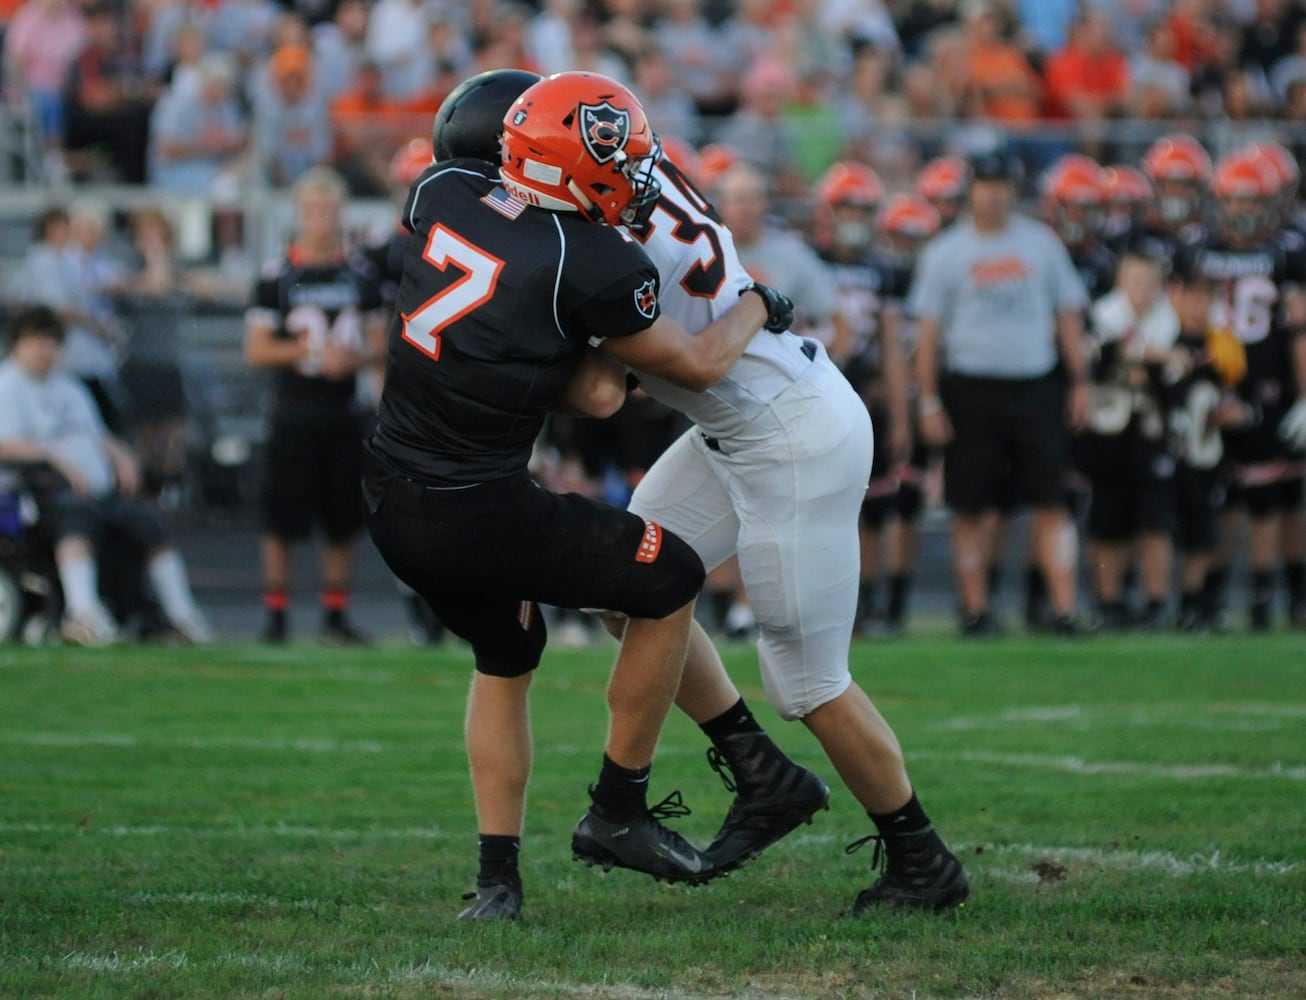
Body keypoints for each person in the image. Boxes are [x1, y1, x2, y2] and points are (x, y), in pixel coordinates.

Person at [416, 69, 970, 923]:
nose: (510, 187)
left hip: (791, 431)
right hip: (740, 420)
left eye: (520, 166)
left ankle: (922, 858)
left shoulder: (600, 243)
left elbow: (603, 392)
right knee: (626, 585)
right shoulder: (629, 166)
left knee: (807, 681)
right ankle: (759, 770)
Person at [362, 70, 796, 920]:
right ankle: (620, 805)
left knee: (508, 654)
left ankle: (498, 883)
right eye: (621, 158)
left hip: (389, 489)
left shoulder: (442, 190)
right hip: (478, 506)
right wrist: (759, 306)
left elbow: (500, 293)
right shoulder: (591, 259)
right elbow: (654, 379)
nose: (636, 173)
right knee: (667, 575)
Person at [911, 150, 1091, 637]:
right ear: (971, 190)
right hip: (971, 386)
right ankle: (975, 609)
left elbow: (1067, 316)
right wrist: (928, 399)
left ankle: (1064, 608)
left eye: (1002, 184)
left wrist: (1079, 381)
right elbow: (929, 334)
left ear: (1015, 190)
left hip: (1035, 385)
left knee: (1051, 502)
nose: (993, 193)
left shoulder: (1042, 244)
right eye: (985, 183)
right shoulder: (946, 251)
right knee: (973, 507)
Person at [0, 305, 212, 646]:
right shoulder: (7, 387)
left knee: (147, 521)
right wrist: (57, 461)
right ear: (17, 345)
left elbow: (96, 435)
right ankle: (83, 613)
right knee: (77, 515)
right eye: (36, 342)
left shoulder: (69, 388)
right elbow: (6, 446)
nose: (44, 351)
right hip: (34, 495)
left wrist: (122, 457)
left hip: (94, 490)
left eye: (51, 343)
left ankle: (181, 615)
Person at [244, 165, 386, 645]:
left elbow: (381, 344)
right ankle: (277, 613)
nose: (322, 218)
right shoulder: (278, 277)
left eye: (329, 208)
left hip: (343, 411)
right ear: (300, 214)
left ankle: (334, 614)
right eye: (313, 209)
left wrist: (354, 357)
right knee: (281, 518)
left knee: (341, 519)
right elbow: (257, 349)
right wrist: (308, 352)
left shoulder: (361, 275)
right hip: (294, 410)